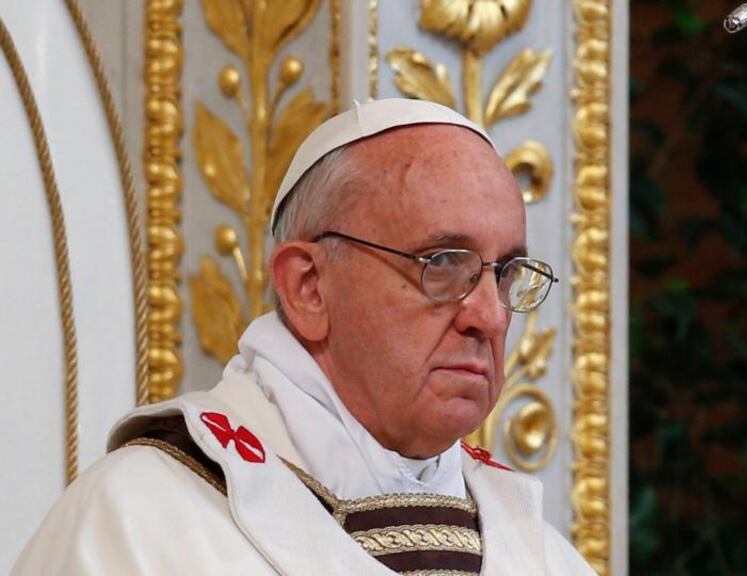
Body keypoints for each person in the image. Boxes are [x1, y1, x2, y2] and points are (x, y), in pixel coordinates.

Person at [14, 98, 595, 575]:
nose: (490, 316)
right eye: (441, 263)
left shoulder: (540, 556)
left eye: (508, 273)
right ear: (308, 286)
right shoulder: (140, 527)